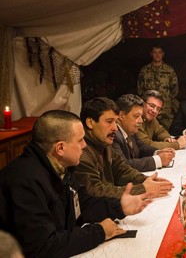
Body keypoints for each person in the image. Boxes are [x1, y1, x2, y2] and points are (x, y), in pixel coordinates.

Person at [0, 110, 153, 257]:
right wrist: (100, 232)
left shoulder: (59, 166)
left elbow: (82, 203)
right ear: (60, 148)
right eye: (80, 140)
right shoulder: (26, 181)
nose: (84, 145)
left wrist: (119, 206)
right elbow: (43, 247)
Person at [74, 97, 174, 199]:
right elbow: (96, 192)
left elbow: (122, 170)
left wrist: (147, 180)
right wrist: (143, 189)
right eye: (109, 121)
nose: (115, 128)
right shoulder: (79, 153)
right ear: (90, 123)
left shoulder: (104, 144)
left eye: (115, 121)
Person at [113, 94, 175, 172]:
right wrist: (158, 160)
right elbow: (123, 165)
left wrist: (158, 152)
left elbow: (142, 147)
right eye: (136, 116)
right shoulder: (113, 135)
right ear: (121, 116)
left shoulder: (130, 130)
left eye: (141, 116)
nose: (141, 121)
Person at [137, 43, 179, 129]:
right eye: (155, 52)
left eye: (159, 52)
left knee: (165, 134)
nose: (157, 55)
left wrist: (166, 99)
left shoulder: (169, 70)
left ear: (163, 54)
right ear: (151, 54)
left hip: (165, 111)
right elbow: (140, 90)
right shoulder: (144, 70)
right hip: (149, 110)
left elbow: (175, 90)